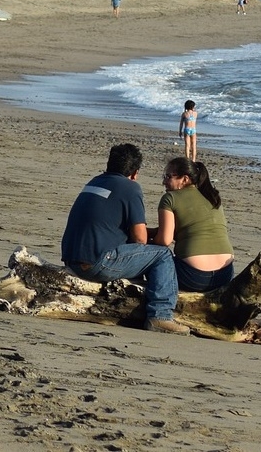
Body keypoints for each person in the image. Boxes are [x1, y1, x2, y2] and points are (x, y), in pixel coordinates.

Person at [61, 143, 190, 335]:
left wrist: (153, 232)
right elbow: (139, 238)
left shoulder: (95, 181)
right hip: (97, 263)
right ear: (135, 173)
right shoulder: (130, 188)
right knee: (162, 254)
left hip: (73, 258)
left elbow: (113, 226)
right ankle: (160, 315)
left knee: (142, 253)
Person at [151, 158, 234, 292]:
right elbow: (192, 228)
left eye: (168, 176)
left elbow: (164, 240)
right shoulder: (212, 198)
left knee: (158, 254)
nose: (164, 181)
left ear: (184, 179)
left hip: (193, 277)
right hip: (225, 275)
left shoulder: (170, 198)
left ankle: (159, 304)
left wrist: (146, 242)